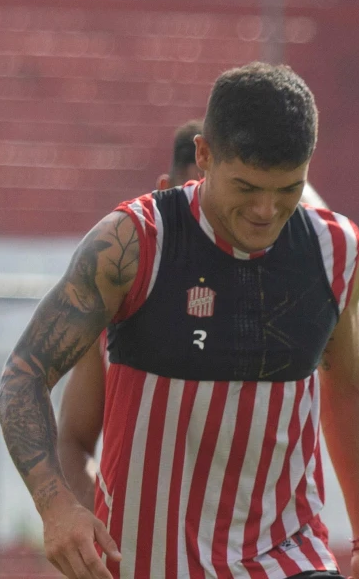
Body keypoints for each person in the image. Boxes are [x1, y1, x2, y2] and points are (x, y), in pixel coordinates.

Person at [0, 62, 359, 579]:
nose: (266, 211)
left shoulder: (335, 252)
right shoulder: (133, 245)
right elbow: (22, 377)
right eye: (247, 188)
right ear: (204, 156)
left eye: (288, 189)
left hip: (288, 559)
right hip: (152, 566)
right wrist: (57, 508)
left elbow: (349, 385)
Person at [57, 121, 330, 520]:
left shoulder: (293, 302)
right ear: (166, 189)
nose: (211, 227)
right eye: (197, 203)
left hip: (262, 552)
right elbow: (73, 440)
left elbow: (320, 225)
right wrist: (99, 533)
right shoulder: (117, 297)